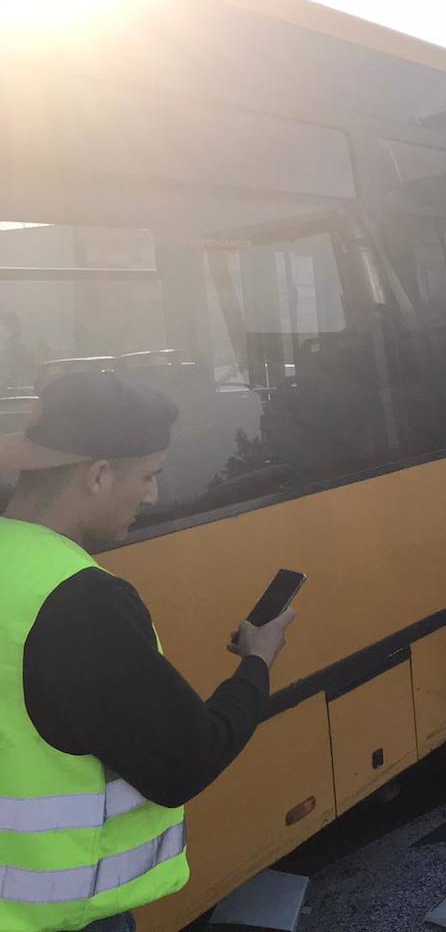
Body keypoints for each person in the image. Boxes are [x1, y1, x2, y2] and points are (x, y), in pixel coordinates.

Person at [0, 371, 296, 932]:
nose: (155, 495)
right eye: (150, 475)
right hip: (64, 919)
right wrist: (257, 663)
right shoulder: (80, 602)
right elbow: (183, 762)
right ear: (99, 475)